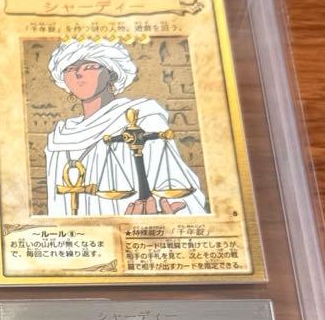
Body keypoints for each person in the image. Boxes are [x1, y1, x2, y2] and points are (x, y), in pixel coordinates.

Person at [44, 39, 208, 216]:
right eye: (69, 69)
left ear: (112, 74)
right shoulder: (59, 136)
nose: (77, 74)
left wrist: (162, 214)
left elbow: (173, 182)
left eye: (89, 67)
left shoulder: (143, 119)